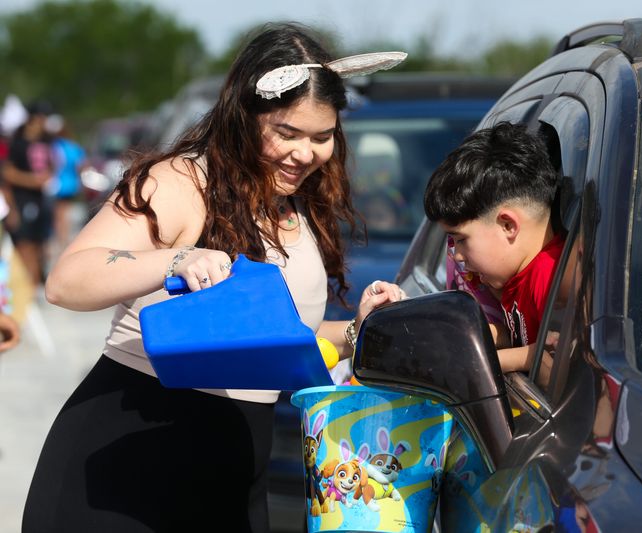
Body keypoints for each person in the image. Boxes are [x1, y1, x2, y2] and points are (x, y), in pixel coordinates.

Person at [23, 23, 406, 532]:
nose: (304, 154)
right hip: (127, 459)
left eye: (321, 137)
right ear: (243, 118)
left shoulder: (296, 204)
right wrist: (175, 260)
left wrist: (360, 327)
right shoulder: (181, 182)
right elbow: (66, 281)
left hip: (236, 464)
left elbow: (267, 340)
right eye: (286, 134)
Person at [423, 121, 564, 377]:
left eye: (460, 239)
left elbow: (556, 365)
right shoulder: (516, 280)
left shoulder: (551, 280)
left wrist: (524, 357)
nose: (456, 256)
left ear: (508, 225)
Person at [2, 100, 54, 289]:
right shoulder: (18, 143)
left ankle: (33, 284)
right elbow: (8, 173)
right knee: (24, 244)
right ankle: (27, 287)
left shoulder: (46, 141)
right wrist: (32, 180)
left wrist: (48, 176)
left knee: (39, 243)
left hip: (41, 199)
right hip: (22, 198)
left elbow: (50, 166)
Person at [45, 114, 88, 256]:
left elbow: (51, 165)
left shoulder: (54, 146)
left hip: (58, 184)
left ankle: (61, 240)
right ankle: (64, 239)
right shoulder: (73, 146)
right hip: (71, 183)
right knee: (64, 211)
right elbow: (81, 165)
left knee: (58, 213)